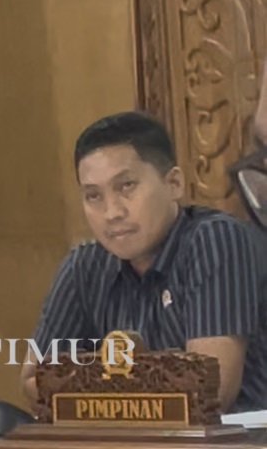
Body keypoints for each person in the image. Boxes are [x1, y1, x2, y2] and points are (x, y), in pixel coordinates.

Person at [20, 111, 267, 414]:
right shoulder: (84, 266)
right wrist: (129, 393)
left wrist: (94, 388)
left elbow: (210, 392)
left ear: (174, 183)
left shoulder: (215, 239)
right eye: (93, 196)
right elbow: (33, 381)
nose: (112, 212)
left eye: (126, 186)